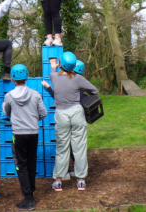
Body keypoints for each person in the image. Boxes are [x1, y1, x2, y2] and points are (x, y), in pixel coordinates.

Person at [49, 52, 97, 191]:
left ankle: (58, 181)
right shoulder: (78, 78)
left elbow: (53, 71)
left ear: (61, 64)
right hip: (76, 112)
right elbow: (94, 90)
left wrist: (54, 66)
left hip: (61, 114)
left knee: (62, 148)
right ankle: (81, 180)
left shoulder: (54, 77)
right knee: (79, 147)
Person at [2, 64, 47, 210]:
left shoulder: (9, 96)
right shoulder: (35, 94)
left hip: (19, 134)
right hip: (33, 133)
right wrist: (33, 120)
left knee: (21, 165)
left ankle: (28, 199)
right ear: (26, 78)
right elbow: (44, 113)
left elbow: (7, 113)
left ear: (13, 80)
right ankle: (31, 192)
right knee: (31, 162)